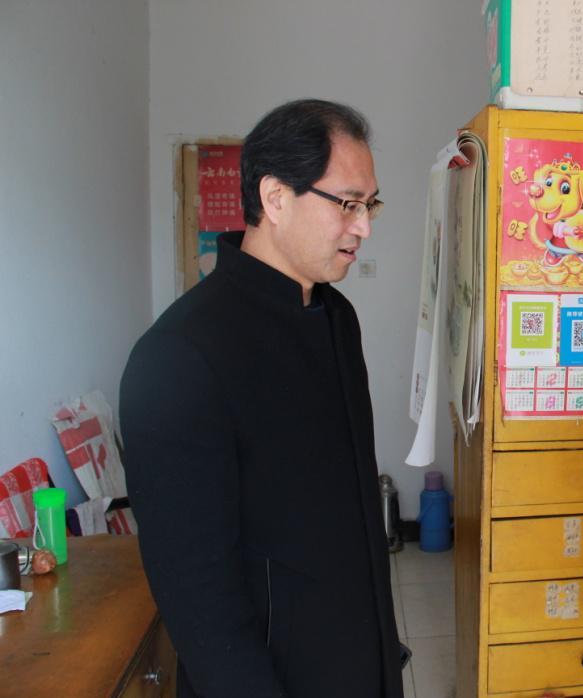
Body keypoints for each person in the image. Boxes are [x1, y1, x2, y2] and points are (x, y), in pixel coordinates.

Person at [120, 99, 404, 698]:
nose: (364, 227)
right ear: (275, 198)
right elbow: (196, 595)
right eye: (348, 204)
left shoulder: (336, 317)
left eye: (370, 205)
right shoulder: (179, 355)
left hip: (357, 659)